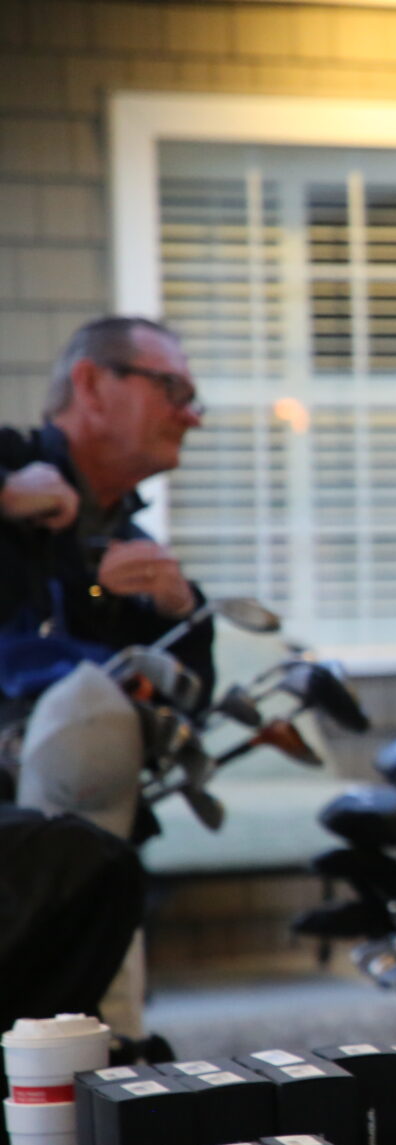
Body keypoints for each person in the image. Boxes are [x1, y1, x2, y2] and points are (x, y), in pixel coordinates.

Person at [1, 316, 213, 840]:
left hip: (80, 848)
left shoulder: (133, 548)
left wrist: (180, 615)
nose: (191, 418)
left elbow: (187, 706)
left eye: (194, 401)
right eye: (172, 389)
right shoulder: (11, 467)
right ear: (92, 385)